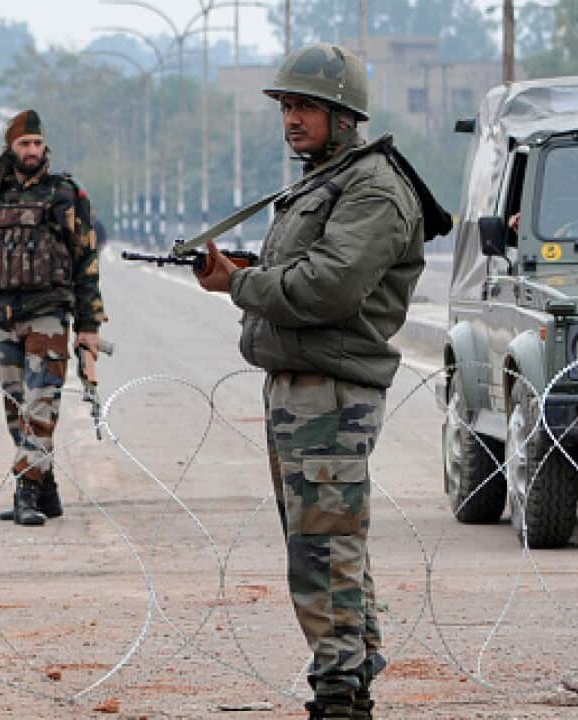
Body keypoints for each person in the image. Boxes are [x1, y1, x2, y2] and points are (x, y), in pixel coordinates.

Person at [193, 43, 450, 720]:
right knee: (324, 544)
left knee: (323, 549)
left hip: (331, 394)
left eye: (305, 106)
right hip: (300, 389)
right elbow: (307, 270)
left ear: (343, 115)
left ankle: (338, 693)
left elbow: (328, 288)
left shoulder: (372, 188)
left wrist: (239, 284)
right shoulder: (326, 182)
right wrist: (248, 271)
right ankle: (351, 676)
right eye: (286, 106)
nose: (291, 119)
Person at [0, 109, 106, 526]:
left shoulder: (64, 194)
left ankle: (25, 491)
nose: (32, 150)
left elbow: (86, 260)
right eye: (24, 144)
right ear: (11, 148)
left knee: (41, 405)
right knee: (16, 410)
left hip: (48, 315)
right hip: (5, 317)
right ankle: (47, 489)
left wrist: (89, 326)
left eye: (38, 144)